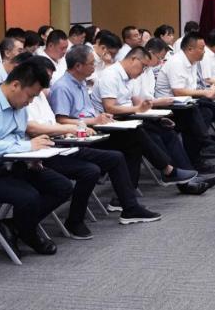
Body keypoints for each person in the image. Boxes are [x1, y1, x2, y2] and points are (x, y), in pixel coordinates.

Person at [21, 57, 162, 235]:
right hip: (45, 151)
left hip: (63, 142)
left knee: (118, 155)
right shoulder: (36, 94)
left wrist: (78, 127)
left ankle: (130, 207)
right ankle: (74, 220)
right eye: (45, 78)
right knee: (91, 170)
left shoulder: (44, 93)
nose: (48, 83)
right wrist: (72, 128)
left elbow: (53, 123)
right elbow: (35, 127)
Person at [0, 59, 71, 255]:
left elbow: (16, 137)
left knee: (62, 186)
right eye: (30, 96)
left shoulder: (19, 106)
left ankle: (14, 226)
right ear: (15, 85)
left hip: (8, 164)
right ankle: (28, 233)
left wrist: (30, 156)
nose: (30, 102)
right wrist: (28, 147)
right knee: (28, 197)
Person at [50, 45, 203, 192]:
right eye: (91, 64)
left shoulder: (82, 83)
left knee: (156, 132)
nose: (94, 67)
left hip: (102, 124)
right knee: (136, 135)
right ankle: (168, 172)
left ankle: (129, 196)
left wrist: (154, 118)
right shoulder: (65, 86)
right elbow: (62, 120)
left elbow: (135, 104)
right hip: (87, 132)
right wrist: (94, 121)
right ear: (78, 66)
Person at [156, 32, 215, 161]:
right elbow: (178, 92)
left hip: (187, 101)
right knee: (203, 113)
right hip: (171, 105)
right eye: (201, 48)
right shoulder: (177, 62)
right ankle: (201, 151)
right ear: (190, 49)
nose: (204, 51)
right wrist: (205, 93)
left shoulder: (192, 62)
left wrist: (207, 91)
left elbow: (192, 89)